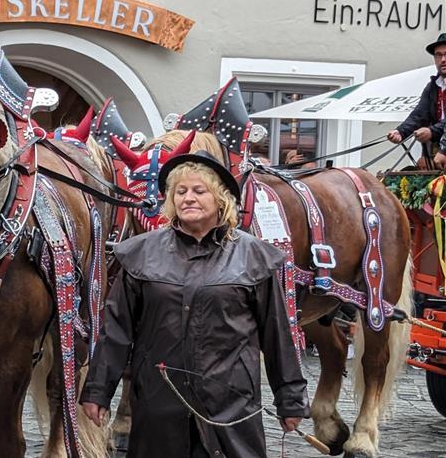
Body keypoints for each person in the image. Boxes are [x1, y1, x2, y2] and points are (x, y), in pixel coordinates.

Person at [80, 150, 308, 457]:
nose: (188, 198)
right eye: (180, 192)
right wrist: (98, 390)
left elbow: (277, 333)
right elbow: (116, 330)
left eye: (199, 191)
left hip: (231, 400)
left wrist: (290, 399)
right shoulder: (142, 254)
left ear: (220, 199)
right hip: (158, 400)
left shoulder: (253, 257)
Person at [387, 33, 446, 168]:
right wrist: (400, 132)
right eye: (438, 55)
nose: (443, 59)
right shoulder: (433, 86)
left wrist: (433, 134)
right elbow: (419, 115)